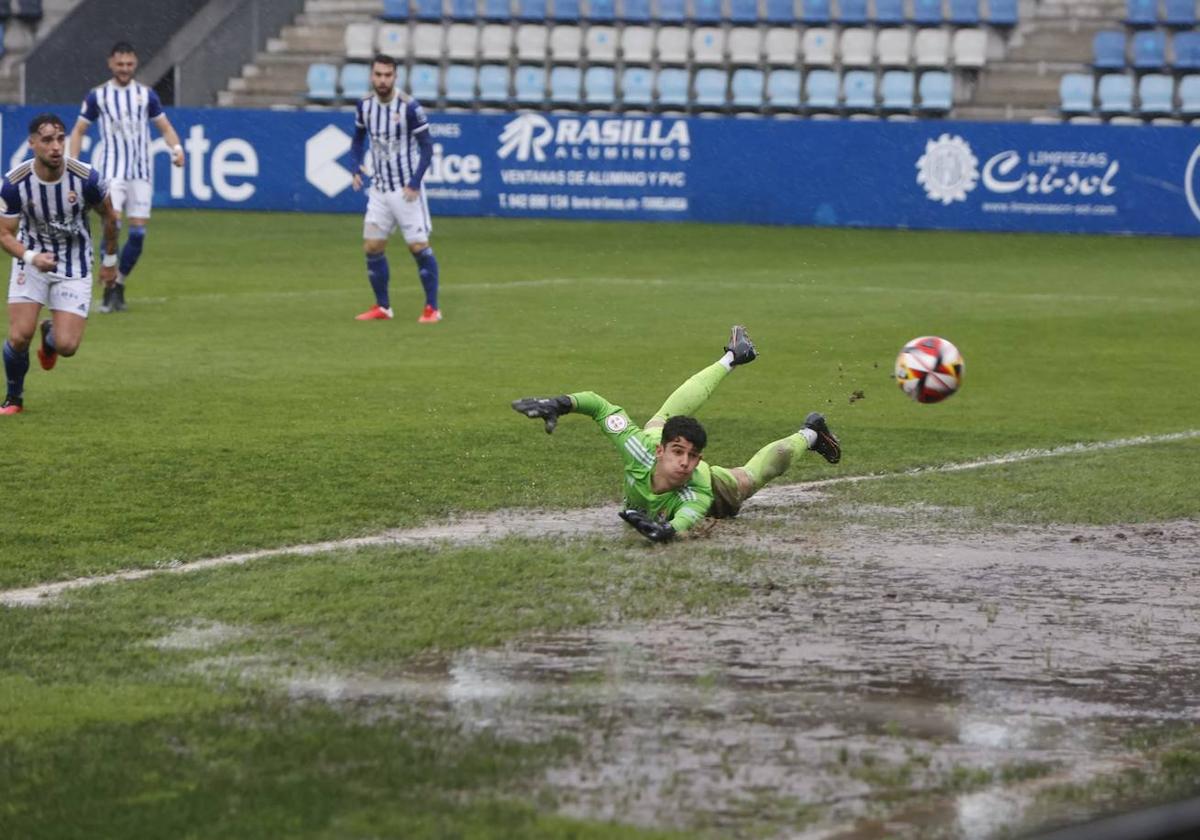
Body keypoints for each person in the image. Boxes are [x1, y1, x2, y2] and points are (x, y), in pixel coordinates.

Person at [511, 326, 842, 542]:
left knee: (749, 480)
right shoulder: (641, 448)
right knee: (660, 424)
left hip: (713, 484)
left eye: (692, 455)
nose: (686, 463)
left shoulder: (697, 487)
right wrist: (560, 403)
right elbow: (598, 405)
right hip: (655, 447)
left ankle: (811, 434)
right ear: (660, 452)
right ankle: (732, 356)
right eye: (679, 453)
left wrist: (666, 530)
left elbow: (687, 518)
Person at [2, 114, 119, 415]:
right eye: (47, 140)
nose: (56, 147)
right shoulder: (14, 183)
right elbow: (4, 233)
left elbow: (109, 217)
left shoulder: (87, 178)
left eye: (60, 139)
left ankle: (50, 335)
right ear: (32, 144)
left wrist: (109, 259)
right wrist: (30, 257)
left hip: (75, 265)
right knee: (18, 335)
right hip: (31, 260)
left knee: (67, 346)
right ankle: (14, 399)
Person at [67, 41, 184, 313]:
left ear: (135, 64)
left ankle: (118, 281)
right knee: (112, 225)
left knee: (139, 233)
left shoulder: (146, 96)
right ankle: (109, 287)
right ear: (111, 64)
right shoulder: (99, 96)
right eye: (120, 64)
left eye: (129, 64)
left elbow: (165, 127)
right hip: (111, 171)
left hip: (140, 172)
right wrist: (73, 166)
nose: (124, 69)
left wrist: (176, 149)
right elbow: (79, 131)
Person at [350, 53, 441, 324]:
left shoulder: (409, 107)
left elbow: (427, 147)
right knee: (372, 246)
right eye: (378, 75)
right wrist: (355, 167)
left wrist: (414, 183)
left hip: (405, 190)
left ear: (395, 77)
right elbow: (357, 139)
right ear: (371, 76)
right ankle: (383, 307)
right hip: (379, 188)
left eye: (387, 75)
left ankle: (432, 309)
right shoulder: (364, 106)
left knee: (418, 247)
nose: (382, 80)